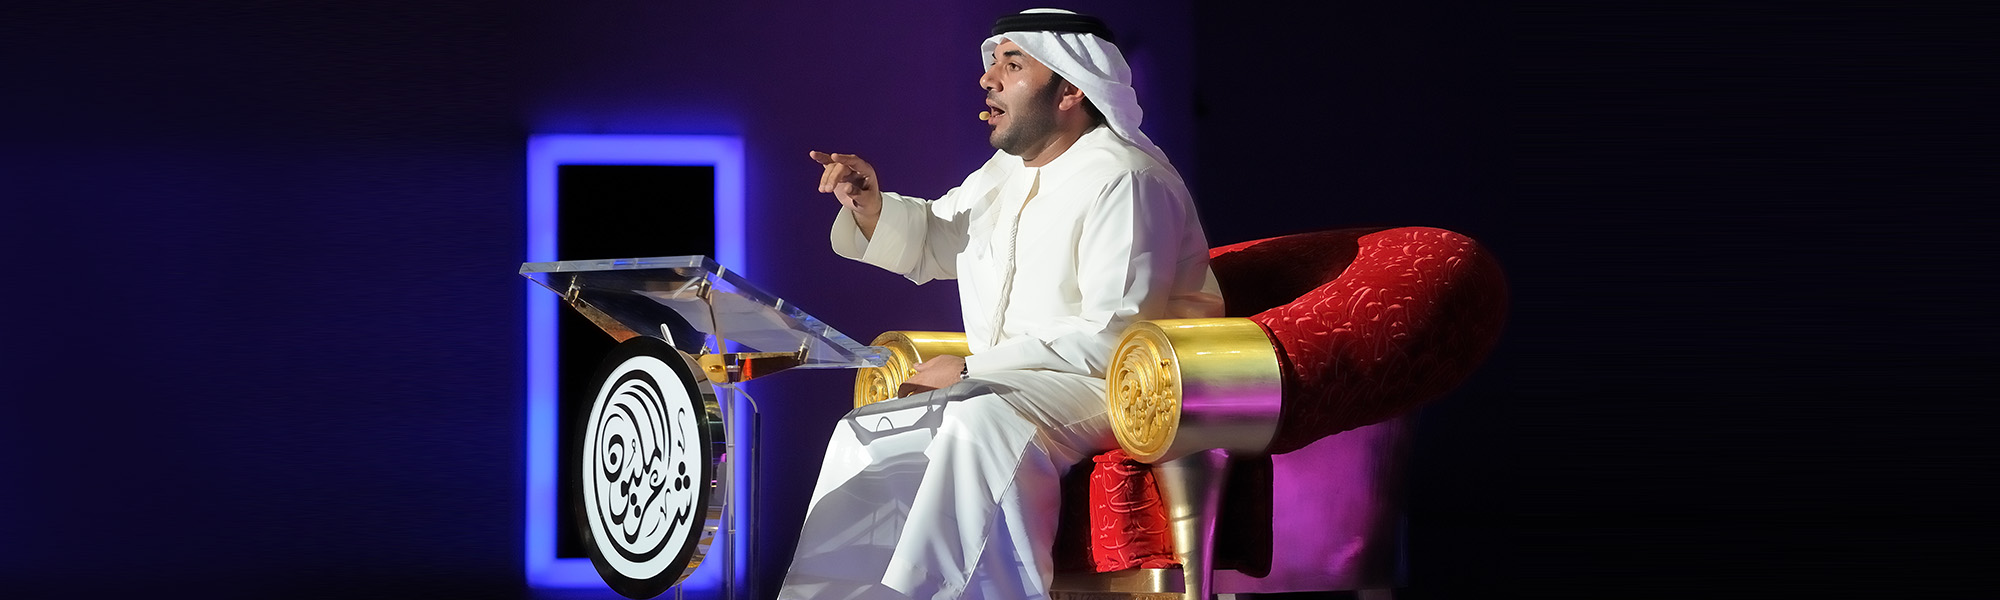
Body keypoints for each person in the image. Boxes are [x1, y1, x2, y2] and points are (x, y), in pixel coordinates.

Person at [779, 9, 1222, 600]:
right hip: (1012, 381)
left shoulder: (1127, 178)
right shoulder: (1002, 175)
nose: (987, 79)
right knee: (871, 426)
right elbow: (937, 236)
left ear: (1070, 88)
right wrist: (869, 204)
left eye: (1012, 65)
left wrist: (969, 369)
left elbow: (1113, 335)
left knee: (975, 418)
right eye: (992, 63)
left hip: (1123, 385)